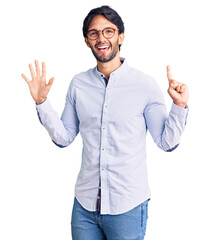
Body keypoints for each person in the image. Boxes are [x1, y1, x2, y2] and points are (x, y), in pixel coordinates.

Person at [22, 5, 189, 240]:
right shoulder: (78, 84)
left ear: (121, 36)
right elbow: (64, 137)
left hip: (127, 208)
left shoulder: (145, 85)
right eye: (94, 33)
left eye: (109, 31)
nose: (102, 38)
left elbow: (166, 142)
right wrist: (41, 102)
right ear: (86, 41)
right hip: (85, 207)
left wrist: (179, 106)